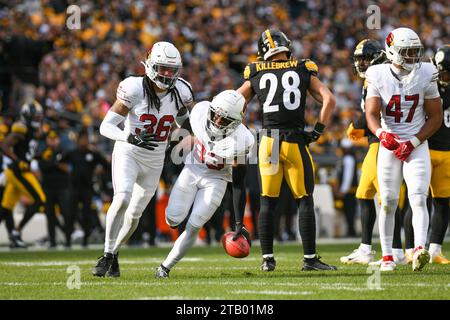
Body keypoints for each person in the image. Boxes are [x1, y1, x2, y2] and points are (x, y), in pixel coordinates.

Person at [236, 29, 337, 271]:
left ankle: (267, 260)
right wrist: (318, 130)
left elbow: (234, 102)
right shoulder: (303, 67)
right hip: (294, 140)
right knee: (304, 199)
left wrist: (242, 132)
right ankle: (310, 259)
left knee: (267, 202)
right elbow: (329, 99)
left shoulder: (255, 72)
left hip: (268, 142)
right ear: (285, 47)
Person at [92, 41, 194, 277]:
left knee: (134, 215)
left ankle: (114, 254)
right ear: (150, 65)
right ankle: (106, 255)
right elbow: (106, 127)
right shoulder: (134, 88)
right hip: (128, 152)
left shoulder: (181, 91)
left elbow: (184, 123)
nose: (167, 74)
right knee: (122, 197)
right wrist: (129, 138)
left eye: (172, 69)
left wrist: (195, 134)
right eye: (162, 68)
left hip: (155, 159)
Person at [365, 27, 443, 272]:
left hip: (416, 142)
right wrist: (381, 134)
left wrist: (414, 142)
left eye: (414, 52)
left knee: (418, 197)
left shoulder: (426, 72)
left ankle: (420, 249)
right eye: (407, 52)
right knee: (387, 201)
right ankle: (387, 256)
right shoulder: (377, 73)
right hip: (390, 143)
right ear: (392, 51)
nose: (412, 57)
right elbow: (370, 113)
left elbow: (435, 117)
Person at [155, 90, 254, 278]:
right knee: (173, 219)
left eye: (224, 120)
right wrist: (170, 149)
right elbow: (185, 127)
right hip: (192, 170)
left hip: (216, 180)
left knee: (194, 225)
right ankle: (174, 225)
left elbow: (239, 183)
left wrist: (239, 223)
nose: (216, 121)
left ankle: (164, 268)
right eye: (215, 114)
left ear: (236, 122)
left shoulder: (242, 140)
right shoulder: (201, 111)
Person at [340, 39, 406, 264]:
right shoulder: (386, 74)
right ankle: (389, 249)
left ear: (378, 56)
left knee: (373, 195)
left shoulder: (377, 76)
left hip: (380, 143)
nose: (360, 63)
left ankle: (380, 249)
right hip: (384, 141)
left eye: (365, 58)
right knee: (380, 196)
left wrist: (357, 125)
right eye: (358, 59)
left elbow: (374, 110)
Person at [0, 101, 46, 248]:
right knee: (39, 200)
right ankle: (16, 231)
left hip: (19, 171)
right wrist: (17, 160)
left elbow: (29, 149)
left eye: (39, 117)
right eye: (36, 117)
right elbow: (4, 144)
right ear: (27, 116)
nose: (38, 120)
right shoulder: (21, 128)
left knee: (5, 208)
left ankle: (15, 233)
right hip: (17, 171)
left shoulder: (32, 130)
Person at [64, 130, 109, 247]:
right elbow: (59, 162)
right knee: (70, 214)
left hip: (87, 188)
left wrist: (98, 171)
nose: (84, 141)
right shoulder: (72, 153)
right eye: (82, 139)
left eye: (86, 139)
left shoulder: (93, 154)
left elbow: (106, 165)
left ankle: (85, 240)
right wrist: (68, 171)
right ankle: (67, 240)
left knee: (86, 214)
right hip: (73, 188)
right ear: (78, 140)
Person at [37, 130, 70, 248]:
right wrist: (56, 164)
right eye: (51, 139)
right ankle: (52, 241)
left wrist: (52, 163)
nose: (53, 141)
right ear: (47, 140)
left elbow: (67, 168)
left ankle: (68, 240)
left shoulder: (64, 152)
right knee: (50, 215)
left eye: (55, 138)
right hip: (48, 188)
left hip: (62, 188)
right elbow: (42, 166)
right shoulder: (42, 152)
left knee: (66, 213)